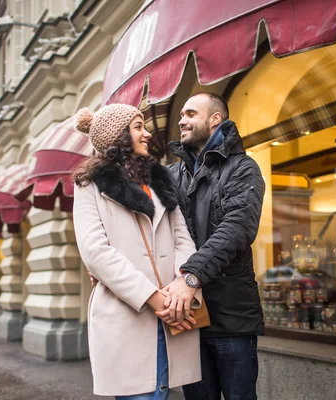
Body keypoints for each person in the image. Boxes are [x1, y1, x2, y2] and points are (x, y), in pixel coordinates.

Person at [72, 104, 202, 399]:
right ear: (118, 136)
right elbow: (95, 251)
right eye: (138, 126)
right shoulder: (89, 185)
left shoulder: (159, 181)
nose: (147, 134)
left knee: (162, 392)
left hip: (173, 312)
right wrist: (153, 298)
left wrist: (182, 284)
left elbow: (184, 240)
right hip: (129, 314)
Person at [163, 92, 266, 400]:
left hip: (231, 318)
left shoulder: (243, 169)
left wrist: (190, 275)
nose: (182, 120)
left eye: (190, 114)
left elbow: (236, 229)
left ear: (215, 119)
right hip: (188, 316)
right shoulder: (170, 175)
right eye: (180, 114)